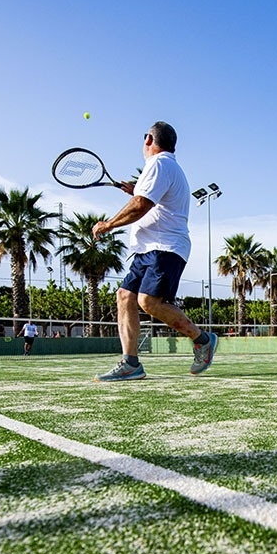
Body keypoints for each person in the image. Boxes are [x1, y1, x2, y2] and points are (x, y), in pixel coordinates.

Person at [91, 121, 217, 381]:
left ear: (149, 139)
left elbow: (141, 205)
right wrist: (135, 188)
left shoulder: (160, 164)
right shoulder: (164, 167)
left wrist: (109, 224)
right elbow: (146, 197)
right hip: (147, 249)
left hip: (165, 247)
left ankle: (202, 339)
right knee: (125, 296)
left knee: (148, 302)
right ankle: (130, 363)